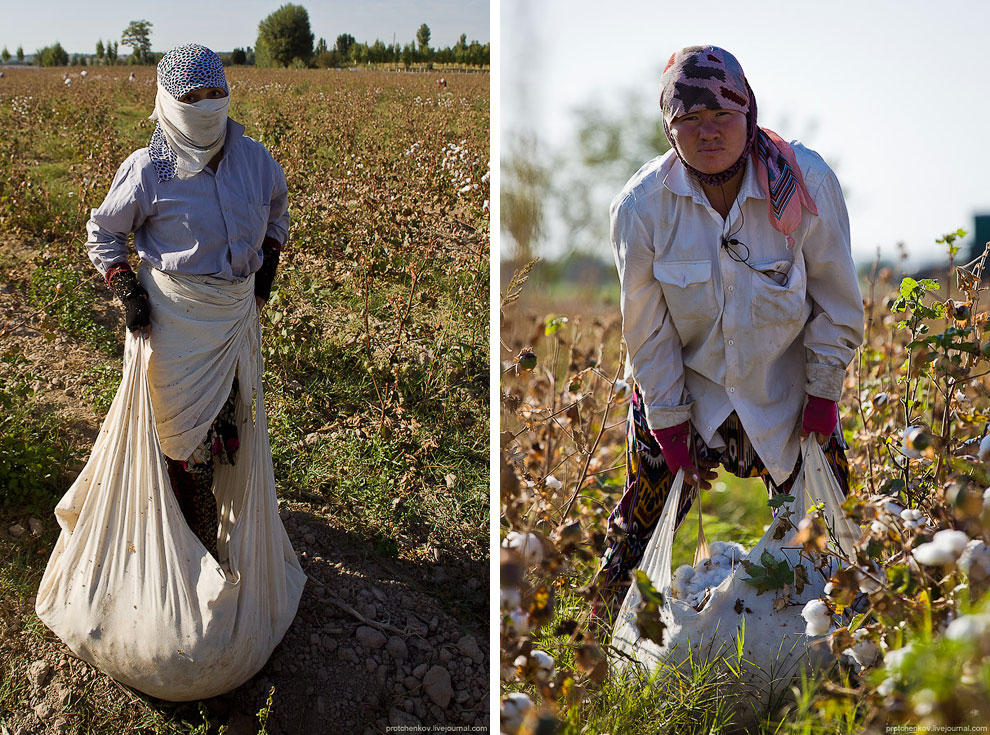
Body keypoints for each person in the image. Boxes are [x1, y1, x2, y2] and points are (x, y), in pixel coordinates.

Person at [594, 46, 864, 623]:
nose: (707, 132)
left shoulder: (805, 184)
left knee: (832, 539)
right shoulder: (642, 208)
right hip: (686, 390)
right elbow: (647, 331)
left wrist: (822, 395)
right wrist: (669, 428)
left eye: (722, 116)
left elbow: (837, 301)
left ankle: (847, 654)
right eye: (688, 120)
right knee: (638, 534)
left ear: (749, 113)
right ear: (669, 129)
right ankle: (606, 656)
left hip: (787, 390)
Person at [84, 43, 289, 558]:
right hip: (172, 325)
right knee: (180, 443)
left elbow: (278, 210)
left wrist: (267, 263)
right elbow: (103, 233)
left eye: (216, 92)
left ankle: (214, 533)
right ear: (169, 102)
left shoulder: (254, 159)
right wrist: (126, 287)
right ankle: (187, 552)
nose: (207, 105)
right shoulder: (148, 169)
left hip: (233, 321)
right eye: (192, 96)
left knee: (226, 430)